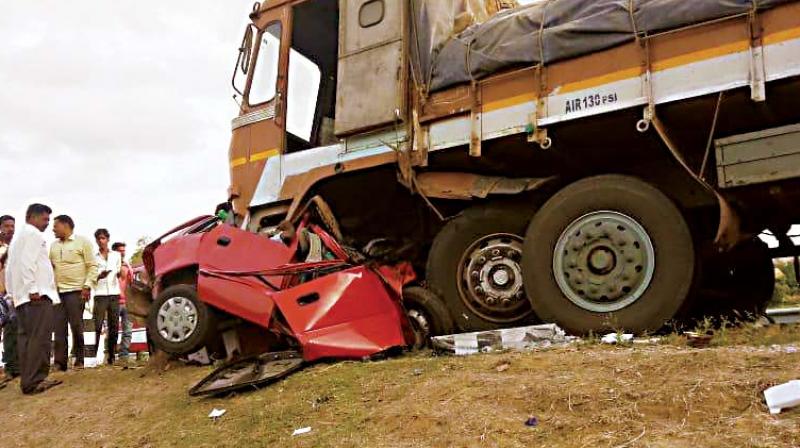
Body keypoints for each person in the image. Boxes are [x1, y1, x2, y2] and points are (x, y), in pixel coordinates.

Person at [5, 204, 62, 394]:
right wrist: (32, 288)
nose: (47, 224)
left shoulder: (17, 239)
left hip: (23, 298)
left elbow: (11, 268)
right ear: (32, 217)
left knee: (27, 340)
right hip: (36, 296)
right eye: (44, 219)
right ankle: (36, 380)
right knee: (40, 338)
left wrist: (13, 293)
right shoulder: (33, 234)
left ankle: (28, 381)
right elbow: (26, 263)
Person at [50, 215, 98, 371]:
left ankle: (79, 359)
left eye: (56, 226)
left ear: (65, 226)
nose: (53, 229)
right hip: (58, 292)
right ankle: (60, 362)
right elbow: (50, 268)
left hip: (76, 291)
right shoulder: (53, 246)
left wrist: (87, 286)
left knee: (76, 326)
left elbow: (92, 266)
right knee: (59, 328)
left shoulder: (83, 242)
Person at [93, 229, 121, 365]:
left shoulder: (116, 255)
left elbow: (119, 271)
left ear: (108, 239)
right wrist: (99, 276)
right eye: (98, 239)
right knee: (97, 325)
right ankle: (93, 357)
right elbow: (91, 276)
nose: (101, 241)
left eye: (103, 238)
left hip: (114, 293)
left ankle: (111, 356)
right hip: (100, 294)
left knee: (114, 326)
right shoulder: (94, 257)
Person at [0, 215, 20, 382]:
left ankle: (13, 367)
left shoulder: (17, 246)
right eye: (7, 226)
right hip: (1, 294)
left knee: (13, 330)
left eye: (12, 226)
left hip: (14, 294)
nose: (10, 229)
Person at [113, 242, 133, 361]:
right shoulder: (109, 265)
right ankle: (110, 354)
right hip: (113, 301)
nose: (122, 253)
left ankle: (124, 354)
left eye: (123, 250)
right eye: (120, 250)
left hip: (126, 303)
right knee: (112, 330)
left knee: (128, 331)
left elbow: (132, 283)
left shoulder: (127, 266)